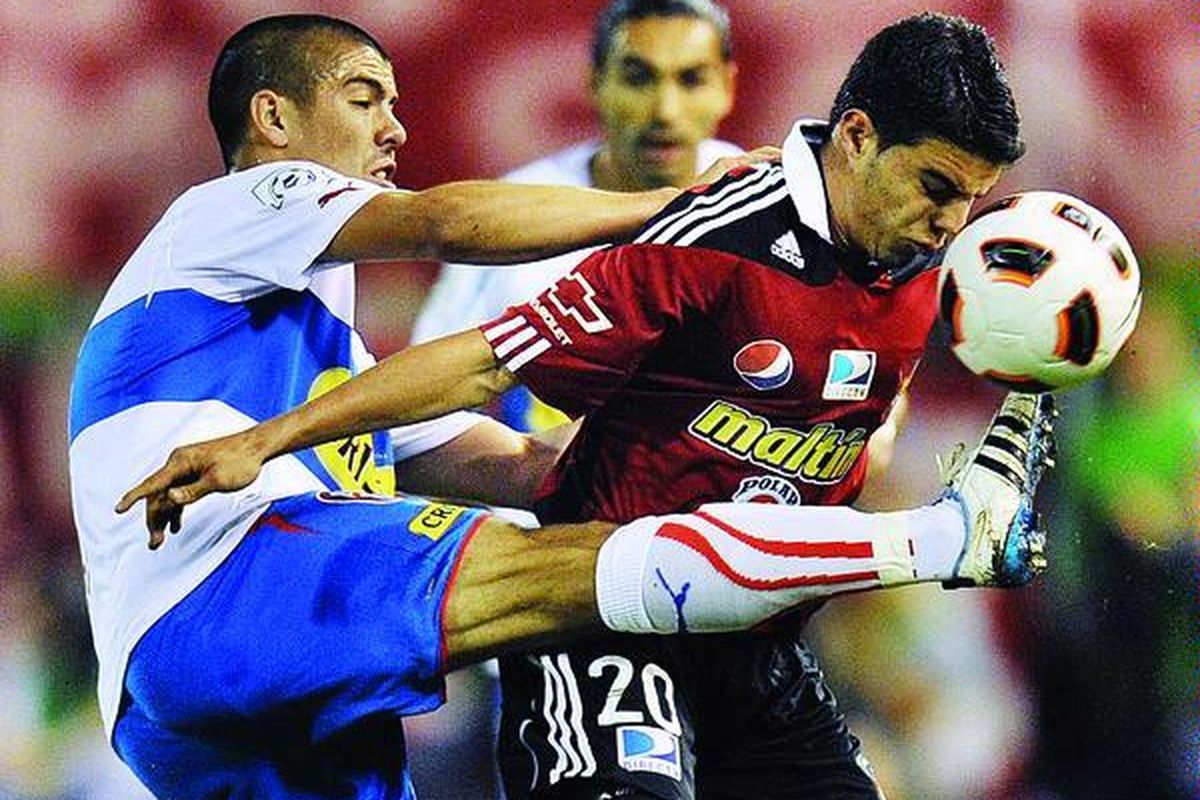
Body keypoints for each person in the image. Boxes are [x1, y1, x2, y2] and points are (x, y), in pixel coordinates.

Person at [115, 12, 1058, 800]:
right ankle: (946, 540)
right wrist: (266, 441)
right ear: (856, 135)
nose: (951, 222)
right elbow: (464, 288)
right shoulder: (240, 204)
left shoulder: (927, 268)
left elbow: (475, 449)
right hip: (596, 621)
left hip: (751, 637)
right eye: (367, 102)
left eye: (972, 201)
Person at [68, 13, 775, 799]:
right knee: (572, 579)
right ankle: (916, 547)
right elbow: (447, 222)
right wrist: (687, 212)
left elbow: (528, 467)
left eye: (395, 105)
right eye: (365, 99)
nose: (395, 129)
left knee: (582, 539)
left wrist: (736, 443)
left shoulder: (336, 367)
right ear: (273, 117)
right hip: (226, 593)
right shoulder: (231, 205)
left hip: (191, 700)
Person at [411, 0, 740, 434]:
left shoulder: (771, 202)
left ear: (727, 87)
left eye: (692, 79)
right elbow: (422, 410)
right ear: (595, 83)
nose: (665, 111)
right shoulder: (514, 214)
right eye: (638, 78)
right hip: (537, 492)